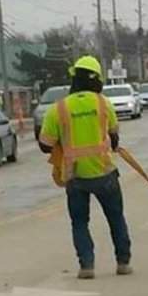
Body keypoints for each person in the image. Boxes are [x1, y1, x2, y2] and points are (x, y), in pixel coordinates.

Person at [38, 55, 132, 280]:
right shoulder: (103, 103)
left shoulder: (59, 108)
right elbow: (114, 136)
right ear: (97, 79)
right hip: (105, 173)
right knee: (116, 218)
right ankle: (123, 262)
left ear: (74, 79)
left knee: (80, 222)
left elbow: (44, 145)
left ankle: (87, 266)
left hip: (75, 176)